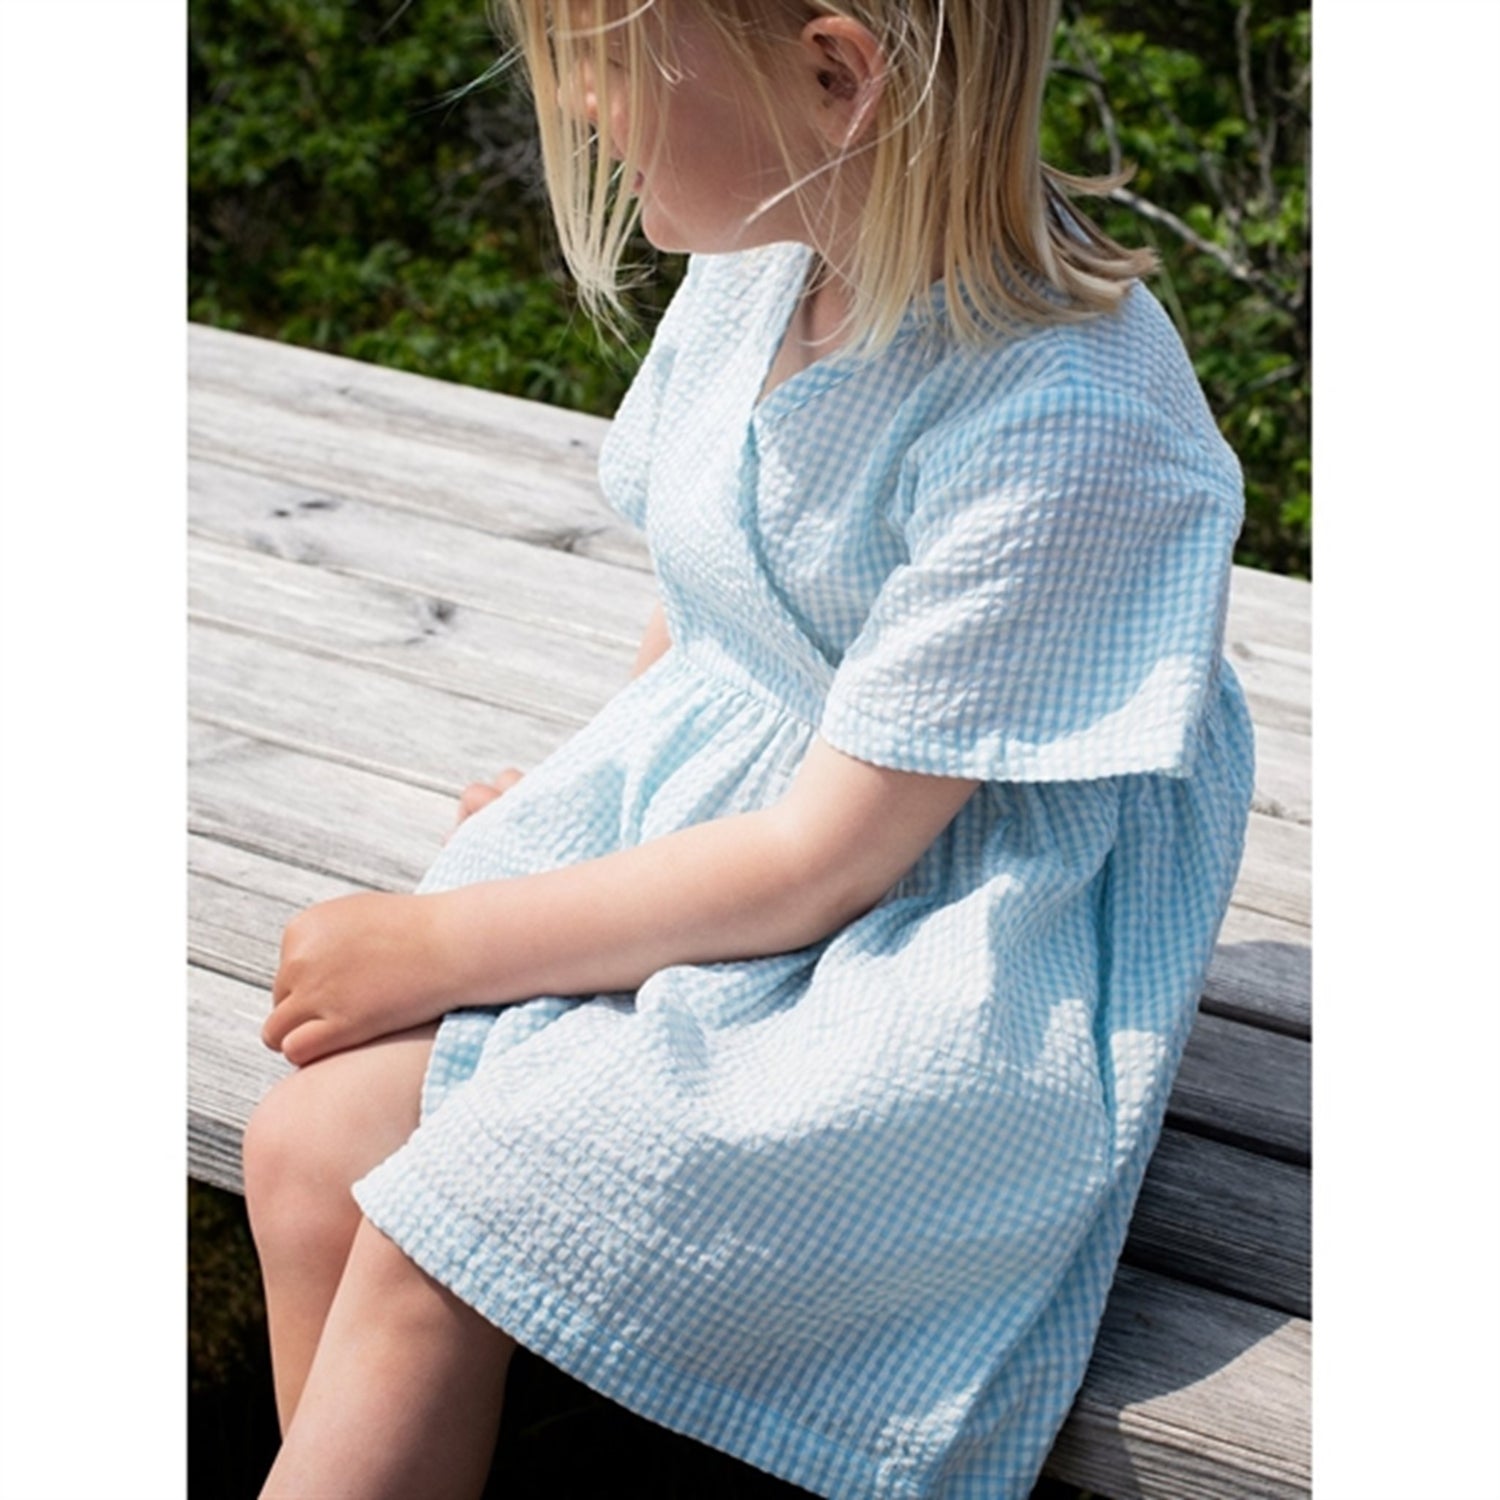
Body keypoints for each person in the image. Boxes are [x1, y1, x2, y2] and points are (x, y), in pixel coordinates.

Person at [242, 0, 1255, 1495]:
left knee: (444, 1236)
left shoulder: (1065, 415)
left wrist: (444, 942)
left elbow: (826, 861)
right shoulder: (767, 265)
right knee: (311, 1150)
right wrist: (594, 792)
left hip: (942, 945)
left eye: (607, 63)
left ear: (837, 74)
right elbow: (711, 597)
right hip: (775, 855)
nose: (579, 107)